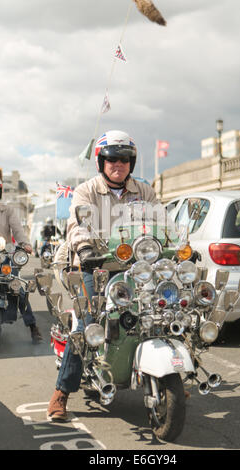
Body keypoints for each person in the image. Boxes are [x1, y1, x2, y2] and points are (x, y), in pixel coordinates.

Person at [47, 129, 160, 420]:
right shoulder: (86, 191)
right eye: (111, 159)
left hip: (135, 267)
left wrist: (177, 247)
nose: (117, 165)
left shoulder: (144, 191)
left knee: (160, 314)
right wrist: (84, 249)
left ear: (131, 164)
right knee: (86, 327)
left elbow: (162, 222)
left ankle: (167, 376)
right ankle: (62, 393)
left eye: (124, 160)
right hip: (93, 266)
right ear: (101, 163)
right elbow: (77, 225)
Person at [0, 174, 43, 343]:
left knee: (19, 289)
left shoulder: (8, 211)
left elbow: (17, 230)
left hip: (5, 257)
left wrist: (25, 244)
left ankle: (33, 327)